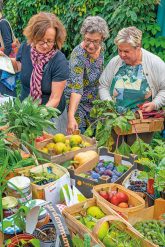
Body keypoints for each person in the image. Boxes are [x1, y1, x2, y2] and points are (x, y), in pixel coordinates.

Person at [99, 26, 165, 144]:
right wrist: (108, 102)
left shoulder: (155, 63)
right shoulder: (115, 62)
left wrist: (155, 104)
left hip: (140, 122)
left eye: (126, 51)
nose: (122, 55)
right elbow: (103, 85)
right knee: (113, 155)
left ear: (138, 47)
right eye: (120, 50)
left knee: (136, 157)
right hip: (115, 119)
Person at [11, 12, 69, 134]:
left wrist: (36, 117)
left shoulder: (59, 60)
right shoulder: (25, 48)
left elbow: (55, 98)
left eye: (49, 41)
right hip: (26, 113)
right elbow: (20, 68)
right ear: (33, 36)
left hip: (50, 118)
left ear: (56, 39)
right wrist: (3, 60)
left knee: (49, 150)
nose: (45, 45)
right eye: (41, 40)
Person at [65, 16, 109, 134]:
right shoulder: (78, 55)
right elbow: (77, 88)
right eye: (87, 39)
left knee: (96, 139)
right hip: (77, 103)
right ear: (83, 34)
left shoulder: (103, 48)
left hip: (94, 102)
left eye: (95, 41)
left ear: (102, 39)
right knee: (81, 139)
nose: (90, 45)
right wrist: (70, 117)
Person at [0, 0, 17, 97]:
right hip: (3, 64)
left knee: (7, 94)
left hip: (5, 66)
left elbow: (8, 46)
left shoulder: (2, 23)